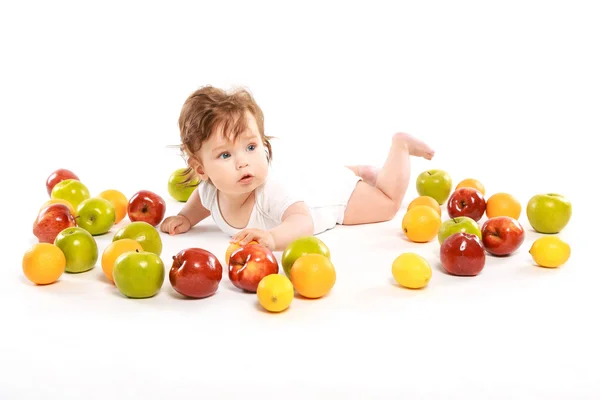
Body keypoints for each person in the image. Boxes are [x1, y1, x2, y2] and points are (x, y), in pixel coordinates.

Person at [160, 85, 435, 251]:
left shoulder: (269, 191)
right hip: (309, 180)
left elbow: (302, 222)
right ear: (201, 169)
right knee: (325, 175)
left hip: (330, 198)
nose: (243, 161)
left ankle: (400, 148)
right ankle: (358, 170)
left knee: (386, 205)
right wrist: (185, 218)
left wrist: (272, 237)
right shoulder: (210, 189)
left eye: (251, 147)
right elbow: (202, 202)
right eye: (225, 155)